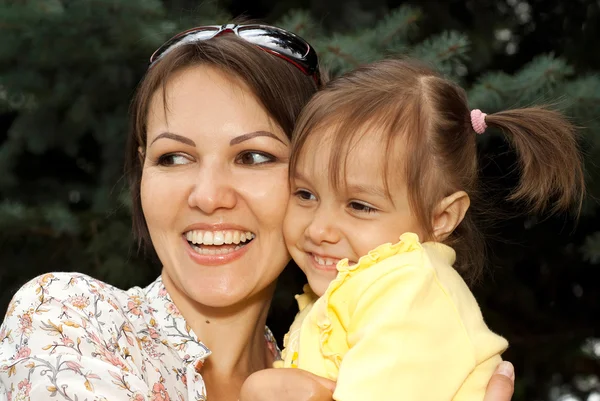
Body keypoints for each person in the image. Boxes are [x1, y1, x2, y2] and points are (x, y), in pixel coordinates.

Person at [0, 24, 516, 401]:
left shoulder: (364, 350)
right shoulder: (70, 319)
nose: (208, 195)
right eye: (173, 157)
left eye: (253, 157)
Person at [241, 58, 584, 400]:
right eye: (305, 194)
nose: (318, 229)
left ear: (442, 218)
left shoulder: (409, 292)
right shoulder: (361, 290)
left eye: (359, 206)